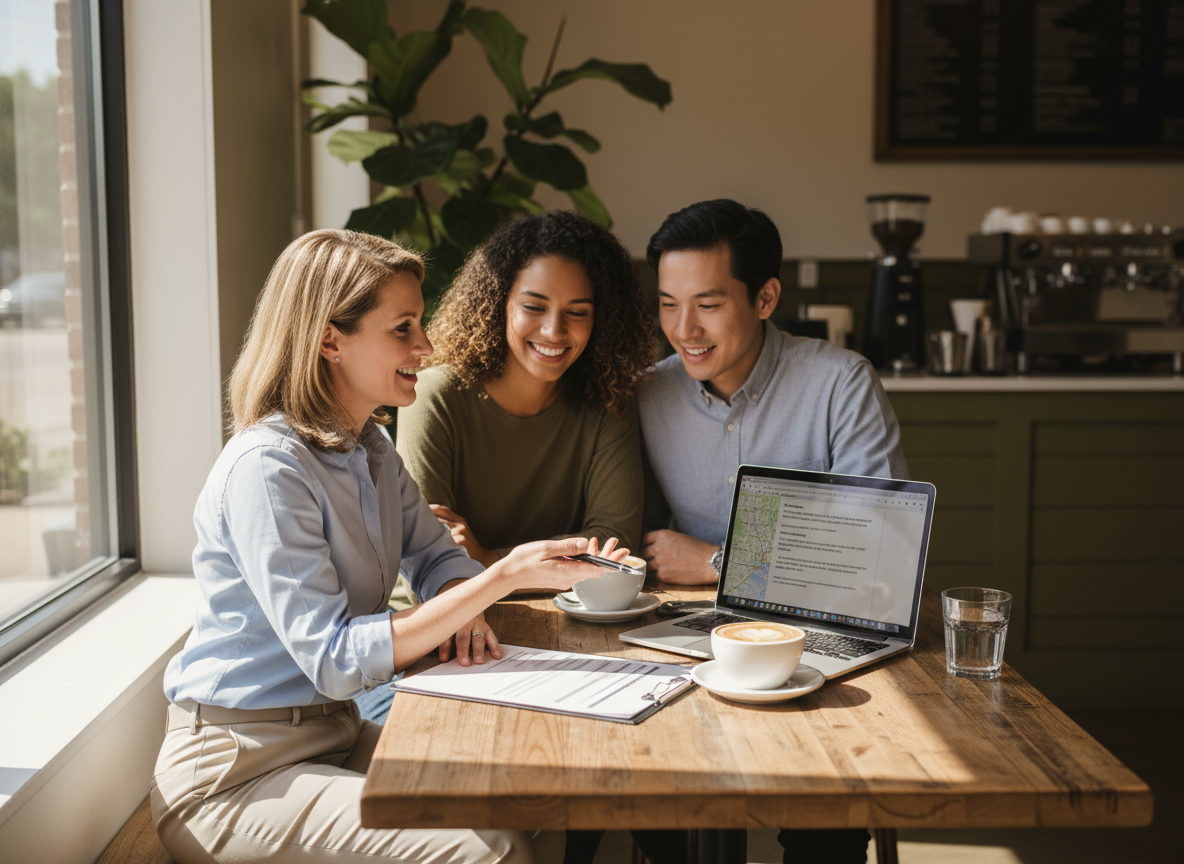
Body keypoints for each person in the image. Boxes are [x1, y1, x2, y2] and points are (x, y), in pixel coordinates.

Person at [151, 229, 621, 864]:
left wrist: (462, 595)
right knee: (489, 852)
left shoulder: (369, 448)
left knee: (535, 798)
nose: (427, 348)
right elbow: (336, 659)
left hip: (332, 736)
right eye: (403, 329)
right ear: (328, 339)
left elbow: (434, 556)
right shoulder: (269, 470)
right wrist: (502, 577)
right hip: (236, 775)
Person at [638, 199, 909, 864]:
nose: (684, 328)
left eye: (707, 303)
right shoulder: (648, 394)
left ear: (765, 297)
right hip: (693, 640)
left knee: (826, 809)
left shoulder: (841, 383)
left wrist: (723, 562)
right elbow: (640, 543)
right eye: (668, 304)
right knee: (656, 798)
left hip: (819, 632)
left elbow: (880, 557)